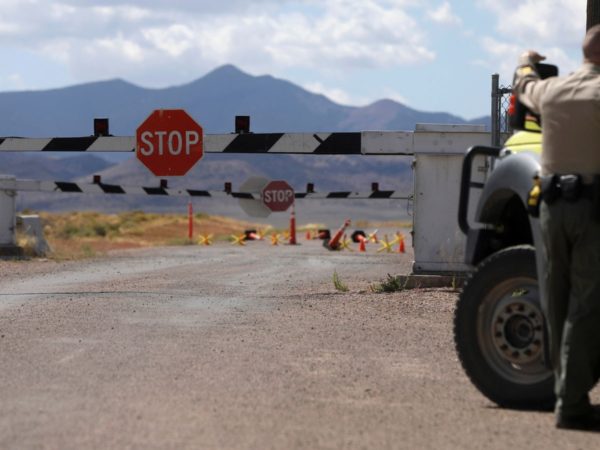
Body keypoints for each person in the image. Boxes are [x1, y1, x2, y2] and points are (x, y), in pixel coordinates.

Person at [513, 25, 600, 431]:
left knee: (557, 298)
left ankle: (564, 390)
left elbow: (525, 84)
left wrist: (526, 62)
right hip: (593, 211)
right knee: (586, 304)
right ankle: (571, 402)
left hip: (551, 207)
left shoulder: (554, 91)